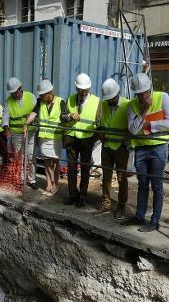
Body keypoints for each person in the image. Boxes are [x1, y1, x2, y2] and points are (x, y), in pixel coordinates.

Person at [124, 73, 169, 232]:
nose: (143, 96)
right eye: (139, 94)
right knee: (142, 184)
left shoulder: (163, 97)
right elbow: (133, 130)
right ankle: (139, 216)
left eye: (145, 92)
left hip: (158, 148)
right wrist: (146, 109)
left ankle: (155, 221)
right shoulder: (132, 105)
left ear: (150, 88)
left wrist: (148, 126)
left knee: (157, 185)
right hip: (141, 148)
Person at [60, 73, 99, 208]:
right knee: (71, 168)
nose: (82, 92)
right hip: (72, 138)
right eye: (80, 90)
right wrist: (70, 116)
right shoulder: (70, 99)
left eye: (85, 90)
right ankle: (73, 195)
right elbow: (62, 117)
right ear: (76, 88)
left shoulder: (96, 101)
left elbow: (99, 123)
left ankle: (82, 196)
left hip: (87, 140)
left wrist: (94, 138)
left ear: (89, 89)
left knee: (85, 169)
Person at [23, 79, 66, 197]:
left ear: (50, 92)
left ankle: (55, 184)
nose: (41, 97)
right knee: (46, 162)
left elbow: (64, 117)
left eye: (43, 95)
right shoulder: (39, 102)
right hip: (43, 137)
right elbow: (34, 113)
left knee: (55, 162)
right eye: (40, 95)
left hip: (56, 137)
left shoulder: (60, 102)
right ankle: (48, 184)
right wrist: (26, 123)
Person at [96, 78, 130, 219]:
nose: (110, 101)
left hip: (121, 148)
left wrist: (125, 144)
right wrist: (100, 136)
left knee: (121, 178)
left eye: (112, 98)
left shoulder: (127, 105)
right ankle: (106, 202)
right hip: (107, 146)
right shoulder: (103, 104)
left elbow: (131, 128)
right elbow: (97, 122)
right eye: (108, 99)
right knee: (106, 176)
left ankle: (121, 206)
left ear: (118, 93)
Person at [2, 77, 38, 189]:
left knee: (31, 156)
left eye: (15, 92)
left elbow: (37, 111)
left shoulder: (30, 96)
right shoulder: (8, 101)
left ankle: (32, 180)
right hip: (16, 134)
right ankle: (20, 179)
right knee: (19, 157)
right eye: (12, 93)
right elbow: (5, 116)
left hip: (30, 132)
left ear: (20, 88)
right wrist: (6, 128)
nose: (14, 95)